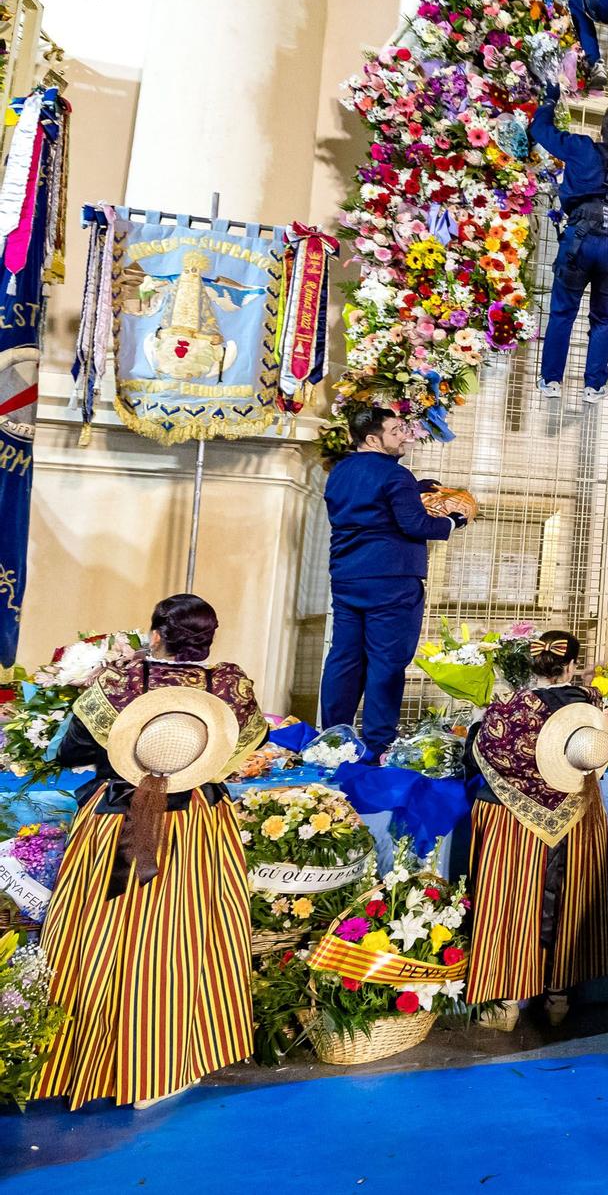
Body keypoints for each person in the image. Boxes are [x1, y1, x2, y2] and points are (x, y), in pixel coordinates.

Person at [34, 595, 268, 1108]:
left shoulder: (122, 684)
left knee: (100, 933)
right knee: (186, 934)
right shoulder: (229, 685)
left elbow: (72, 749)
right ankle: (169, 1059)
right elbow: (244, 744)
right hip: (199, 824)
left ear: (156, 633)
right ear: (209, 638)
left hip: (119, 820)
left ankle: (85, 1059)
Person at [465, 631, 608, 1031]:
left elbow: (480, 753)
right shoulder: (593, 706)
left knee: (514, 900)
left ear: (534, 666)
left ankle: (508, 1001)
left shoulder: (511, 709)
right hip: (579, 817)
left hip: (514, 822)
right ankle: (558, 998)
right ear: (572, 666)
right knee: (566, 899)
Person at [319, 407, 464, 757]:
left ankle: (333, 738)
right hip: (393, 580)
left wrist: (415, 488)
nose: (405, 436)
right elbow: (416, 525)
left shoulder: (339, 472)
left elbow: (371, 499)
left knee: (344, 656)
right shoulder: (395, 476)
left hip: (348, 576)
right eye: (397, 430)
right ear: (373, 438)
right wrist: (454, 522)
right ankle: (377, 744)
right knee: (387, 661)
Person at [529, 86, 608, 402]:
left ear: (602, 131)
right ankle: (594, 385)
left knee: (563, 312)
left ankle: (551, 380)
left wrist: (550, 100)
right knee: (603, 318)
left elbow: (541, 130)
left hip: (579, 240)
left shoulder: (583, 149)